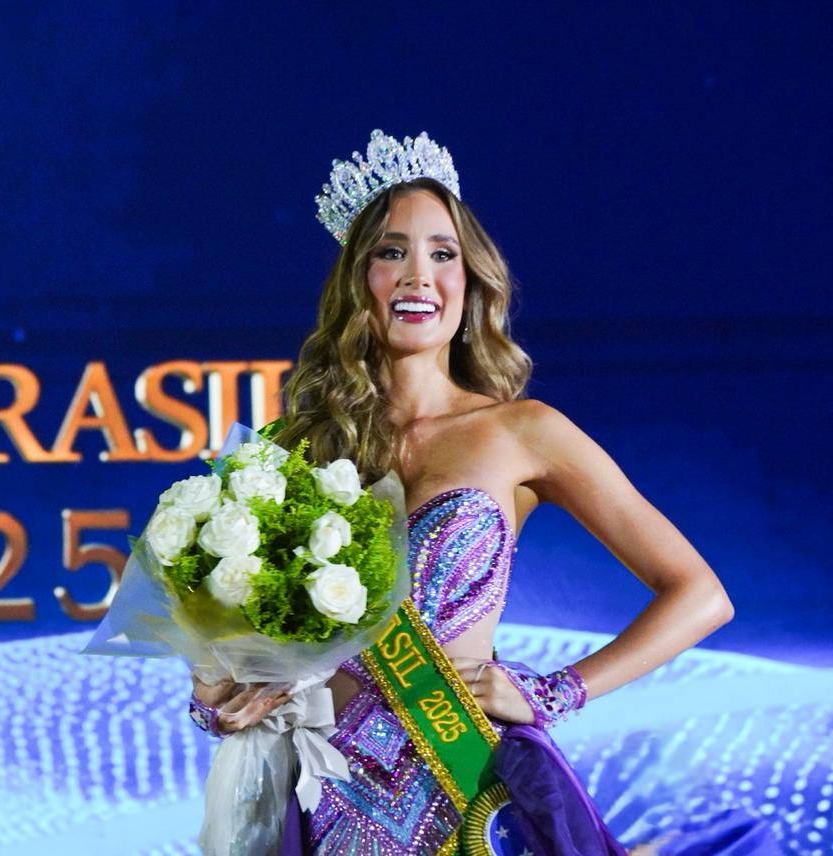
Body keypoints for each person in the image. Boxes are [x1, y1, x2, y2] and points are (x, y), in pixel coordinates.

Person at [185, 130, 755, 854]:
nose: (418, 276)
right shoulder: (292, 451)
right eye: (391, 252)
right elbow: (240, 658)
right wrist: (219, 697)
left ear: (471, 278)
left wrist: (555, 692)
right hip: (331, 802)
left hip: (473, 794)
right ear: (357, 280)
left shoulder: (522, 432)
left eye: (443, 254)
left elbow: (701, 595)